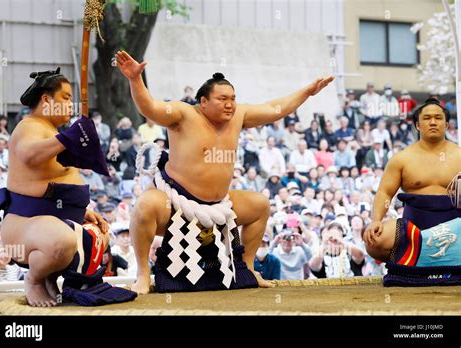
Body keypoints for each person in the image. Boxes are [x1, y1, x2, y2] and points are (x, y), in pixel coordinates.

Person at [115, 50, 333, 293]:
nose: (230, 104)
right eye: (222, 99)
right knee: (144, 204)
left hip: (219, 207)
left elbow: (275, 109)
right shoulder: (183, 115)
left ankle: (248, 268)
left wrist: (307, 92)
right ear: (203, 102)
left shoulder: (239, 115)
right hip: (174, 205)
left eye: (233, 98)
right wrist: (135, 79)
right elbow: (150, 108)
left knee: (260, 205)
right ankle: (143, 275)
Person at [0, 68, 110, 306]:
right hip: (24, 225)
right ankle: (34, 279)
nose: (70, 104)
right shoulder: (29, 126)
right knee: (61, 241)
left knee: (98, 234)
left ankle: (50, 278)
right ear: (46, 99)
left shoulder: (51, 131)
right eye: (65, 97)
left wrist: (82, 212)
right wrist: (67, 138)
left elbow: (49, 181)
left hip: (47, 220)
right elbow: (29, 155)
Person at [364, 98, 461, 270]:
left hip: (456, 226)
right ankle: (417, 254)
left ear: (447, 125)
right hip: (414, 229)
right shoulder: (402, 158)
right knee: (375, 241)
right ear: (417, 125)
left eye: (438, 118)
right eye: (427, 118)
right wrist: (376, 220)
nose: (433, 122)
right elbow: (385, 193)